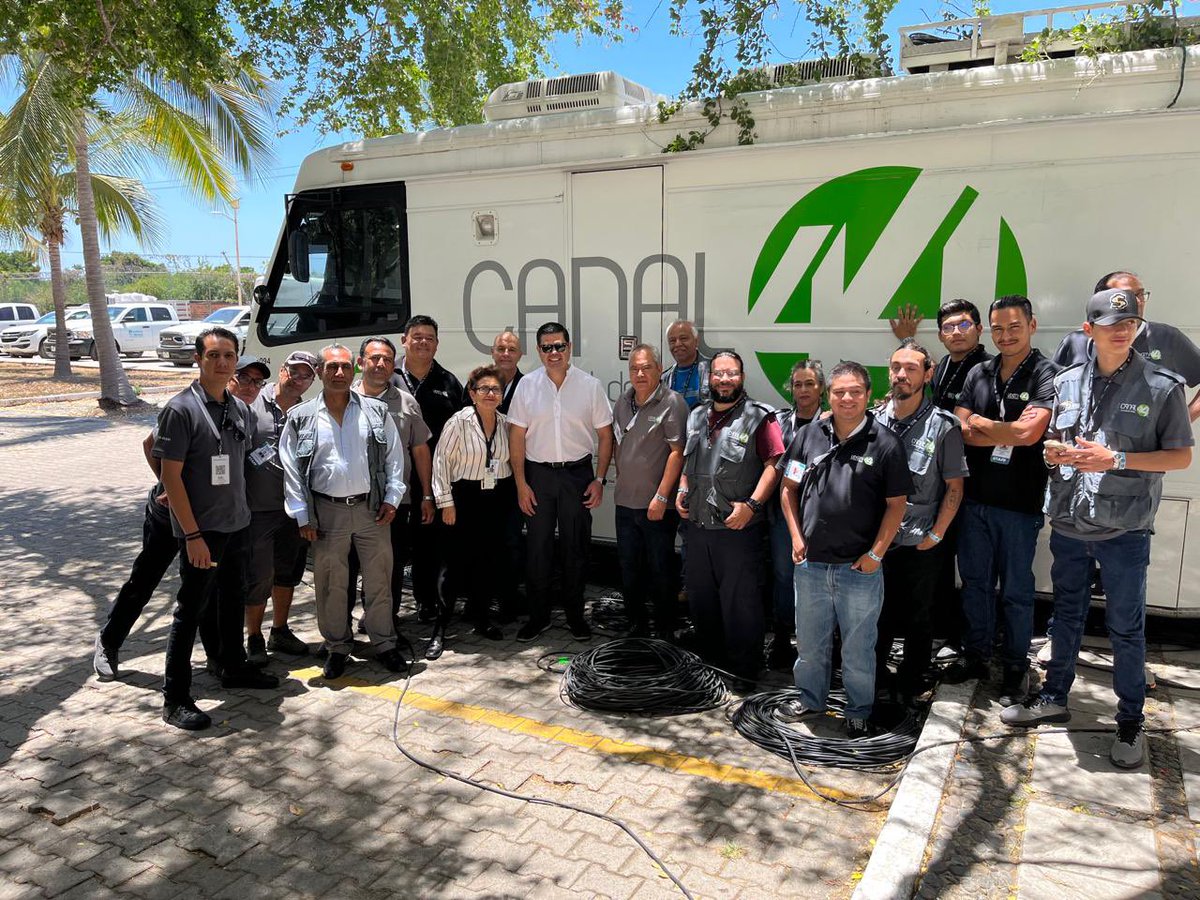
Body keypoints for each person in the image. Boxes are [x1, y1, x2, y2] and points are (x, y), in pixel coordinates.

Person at [1001, 287, 1193, 769]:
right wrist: (1052, 452)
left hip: (1124, 529)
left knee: (1126, 629)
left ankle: (1130, 722)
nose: (1122, 329)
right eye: (1110, 323)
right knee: (1065, 615)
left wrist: (1117, 458)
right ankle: (1055, 697)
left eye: (1128, 323)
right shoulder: (1065, 382)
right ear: (1089, 330)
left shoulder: (1162, 386)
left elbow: (1180, 456)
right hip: (1070, 520)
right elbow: (1053, 441)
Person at [153, 328, 279, 731]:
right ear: (198, 359)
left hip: (237, 524)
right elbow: (170, 473)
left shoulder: (238, 408)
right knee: (190, 611)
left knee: (231, 602)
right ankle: (175, 699)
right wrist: (190, 534)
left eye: (228, 355)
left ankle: (233, 666)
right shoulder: (181, 409)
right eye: (213, 355)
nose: (222, 363)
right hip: (202, 532)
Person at [776, 362, 912, 736]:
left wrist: (876, 555)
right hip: (811, 566)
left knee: (857, 650)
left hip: (859, 571)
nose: (847, 398)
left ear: (868, 395)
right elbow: (788, 489)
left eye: (855, 391)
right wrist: (796, 537)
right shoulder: (809, 436)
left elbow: (896, 504)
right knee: (810, 645)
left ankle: (858, 709)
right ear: (828, 395)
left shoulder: (885, 443)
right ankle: (810, 700)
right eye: (839, 392)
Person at [946, 295, 1058, 705]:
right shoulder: (979, 371)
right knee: (974, 584)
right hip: (975, 500)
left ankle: (1015, 666)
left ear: (1031, 326)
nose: (1005, 336)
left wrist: (983, 424)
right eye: (997, 328)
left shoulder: (1047, 373)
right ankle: (975, 654)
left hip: (1019, 503)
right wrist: (1003, 429)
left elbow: (1030, 434)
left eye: (1014, 327)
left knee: (1015, 590)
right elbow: (959, 426)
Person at [279, 344, 408, 680]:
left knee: (379, 579)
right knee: (331, 583)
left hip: (371, 510)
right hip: (326, 512)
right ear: (320, 372)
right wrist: (302, 516)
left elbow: (394, 457)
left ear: (355, 370)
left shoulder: (375, 411)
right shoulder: (301, 416)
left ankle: (384, 643)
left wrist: (393, 497)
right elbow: (291, 470)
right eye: (332, 367)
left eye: (345, 367)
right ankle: (337, 647)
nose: (339, 373)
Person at [676, 351, 785, 689]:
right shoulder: (695, 416)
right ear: (710, 378)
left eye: (732, 374)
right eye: (719, 374)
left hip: (737, 530)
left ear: (742, 377)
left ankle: (744, 670)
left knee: (741, 604)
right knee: (702, 598)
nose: (725, 380)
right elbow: (686, 463)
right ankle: (712, 664)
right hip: (697, 528)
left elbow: (775, 463)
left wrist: (752, 505)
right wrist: (682, 491)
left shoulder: (759, 417)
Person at [508, 322, 614, 642]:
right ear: (538, 351)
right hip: (538, 476)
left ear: (569, 347)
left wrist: (599, 479)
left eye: (559, 346)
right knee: (538, 549)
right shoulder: (526, 386)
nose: (553, 353)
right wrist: (521, 484)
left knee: (575, 549)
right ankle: (538, 618)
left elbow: (606, 436)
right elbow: (516, 437)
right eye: (546, 347)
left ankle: (574, 616)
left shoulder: (589, 386)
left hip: (577, 476)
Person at [874, 340, 968, 701]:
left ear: (927, 374)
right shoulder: (874, 421)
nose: (902, 374)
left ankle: (912, 680)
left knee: (919, 617)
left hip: (920, 541)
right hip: (879, 541)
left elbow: (954, 488)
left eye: (911, 368)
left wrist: (937, 533)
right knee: (877, 616)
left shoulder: (943, 426)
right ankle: (876, 677)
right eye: (896, 367)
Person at [93, 433, 219, 680]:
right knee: (144, 580)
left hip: (206, 516)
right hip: (166, 515)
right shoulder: (185, 405)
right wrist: (170, 486)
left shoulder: (235, 411)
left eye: (258, 389)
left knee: (206, 586)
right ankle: (109, 642)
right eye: (248, 388)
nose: (252, 391)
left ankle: (216, 654)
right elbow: (149, 444)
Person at [350, 336, 433, 645]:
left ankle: (386, 621)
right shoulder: (342, 398)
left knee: (392, 564)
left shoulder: (406, 401)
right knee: (350, 566)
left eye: (386, 359)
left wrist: (426, 494)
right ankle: (346, 627)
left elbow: (420, 450)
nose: (380, 364)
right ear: (361, 363)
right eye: (374, 358)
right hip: (352, 501)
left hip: (396, 502)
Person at [432, 365, 515, 654]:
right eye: (484, 389)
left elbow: (508, 464)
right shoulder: (459, 421)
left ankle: (481, 619)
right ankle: (439, 629)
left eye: (495, 389)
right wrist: (445, 503)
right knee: (453, 566)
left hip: (495, 500)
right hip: (463, 497)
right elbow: (441, 462)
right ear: (472, 393)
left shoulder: (506, 424)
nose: (490, 394)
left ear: (502, 396)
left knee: (486, 563)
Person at [243, 351, 319, 665]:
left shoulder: (308, 412)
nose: (298, 379)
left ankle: (280, 630)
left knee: (288, 571)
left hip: (293, 508)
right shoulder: (250, 402)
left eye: (306, 376)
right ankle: (254, 637)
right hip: (257, 509)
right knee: (259, 575)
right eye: (294, 372)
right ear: (282, 370)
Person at [612, 344, 688, 638]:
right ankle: (637, 627)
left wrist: (660, 496)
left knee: (660, 571)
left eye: (646, 367)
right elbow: (619, 442)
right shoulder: (622, 401)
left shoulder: (673, 402)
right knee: (630, 570)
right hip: (625, 504)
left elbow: (677, 453)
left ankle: (665, 631)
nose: (640, 373)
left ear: (659, 369)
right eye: (634, 368)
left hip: (657, 507)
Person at [1054, 271, 1200, 421]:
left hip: (1149, 443)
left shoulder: (1167, 338)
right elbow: (1053, 392)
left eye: (1140, 295)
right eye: (1126, 296)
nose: (1137, 302)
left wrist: (1183, 421)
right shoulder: (1076, 342)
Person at [395, 315, 465, 624]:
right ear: (404, 340)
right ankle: (382, 608)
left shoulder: (448, 382)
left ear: (437, 344)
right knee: (390, 547)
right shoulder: (387, 376)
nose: (424, 342)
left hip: (433, 481)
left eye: (430, 338)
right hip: (392, 479)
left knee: (428, 545)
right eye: (417, 336)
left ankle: (427, 603)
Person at [766, 360, 824, 670]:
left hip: (820, 517)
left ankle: (820, 645)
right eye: (798, 384)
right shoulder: (779, 422)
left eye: (809, 384)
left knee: (819, 581)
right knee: (784, 578)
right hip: (782, 517)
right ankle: (782, 639)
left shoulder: (832, 424)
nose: (803, 390)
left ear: (821, 388)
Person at [931, 299, 992, 413]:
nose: (956, 332)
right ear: (940, 336)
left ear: (979, 330)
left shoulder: (992, 368)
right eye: (948, 328)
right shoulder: (943, 365)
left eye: (964, 325)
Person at [661, 320, 711, 410]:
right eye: (672, 341)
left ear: (696, 341)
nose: (678, 344)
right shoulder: (664, 379)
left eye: (683, 338)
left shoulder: (713, 371)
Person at [490, 329, 524, 414]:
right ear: (492, 352)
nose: (506, 354)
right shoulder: (476, 383)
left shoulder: (528, 385)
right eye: (501, 349)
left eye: (512, 350)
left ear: (520, 355)